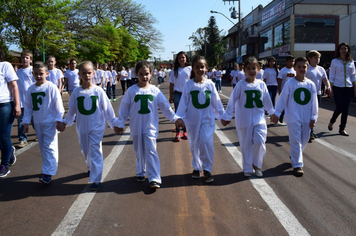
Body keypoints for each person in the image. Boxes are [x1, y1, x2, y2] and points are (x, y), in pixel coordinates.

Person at [114, 60, 177, 189]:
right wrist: (120, 123)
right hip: (136, 126)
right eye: (141, 74)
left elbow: (165, 107)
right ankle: (141, 171)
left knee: (151, 150)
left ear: (151, 74)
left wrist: (175, 118)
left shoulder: (155, 91)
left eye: (147, 74)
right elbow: (124, 109)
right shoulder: (131, 91)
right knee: (139, 150)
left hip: (150, 127)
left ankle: (154, 178)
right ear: (136, 74)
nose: (144, 77)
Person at [57, 61, 117, 191]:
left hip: (96, 127)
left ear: (93, 73)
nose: (87, 75)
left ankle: (96, 179)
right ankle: (90, 168)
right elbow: (72, 111)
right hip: (82, 127)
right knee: (86, 151)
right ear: (79, 74)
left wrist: (114, 124)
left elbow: (108, 110)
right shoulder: (76, 92)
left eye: (89, 72)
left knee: (95, 150)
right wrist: (65, 123)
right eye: (83, 73)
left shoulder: (98, 91)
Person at [222, 57, 274, 177]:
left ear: (259, 69)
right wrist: (227, 116)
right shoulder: (240, 85)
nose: (251, 71)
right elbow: (232, 101)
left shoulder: (261, 84)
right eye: (248, 68)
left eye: (254, 68)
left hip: (259, 119)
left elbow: (267, 100)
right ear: (244, 70)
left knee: (260, 142)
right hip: (244, 120)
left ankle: (258, 165)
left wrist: (272, 113)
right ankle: (247, 167)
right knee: (246, 144)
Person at [175, 56, 225, 183]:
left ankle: (207, 169)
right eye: (197, 67)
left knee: (206, 142)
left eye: (202, 67)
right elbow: (184, 103)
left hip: (207, 119)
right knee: (194, 144)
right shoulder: (189, 85)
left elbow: (216, 102)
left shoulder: (210, 84)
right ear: (193, 68)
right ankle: (197, 167)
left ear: (206, 68)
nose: (200, 69)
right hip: (192, 120)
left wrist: (222, 116)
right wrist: (179, 117)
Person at [270, 57, 318, 177]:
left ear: (307, 68)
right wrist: (277, 114)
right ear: (295, 68)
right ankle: (297, 165)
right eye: (299, 66)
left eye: (304, 66)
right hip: (293, 116)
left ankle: (296, 155)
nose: (302, 69)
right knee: (295, 140)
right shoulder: (290, 84)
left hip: (306, 117)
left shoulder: (311, 84)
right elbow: (282, 100)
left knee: (305, 139)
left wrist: (313, 117)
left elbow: (314, 102)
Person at [22, 61, 64, 184]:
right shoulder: (31, 89)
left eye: (41, 73)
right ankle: (49, 167)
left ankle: (47, 173)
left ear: (47, 73)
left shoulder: (51, 87)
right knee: (43, 147)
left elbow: (58, 105)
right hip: (38, 123)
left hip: (50, 122)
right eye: (36, 74)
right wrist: (25, 122)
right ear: (32, 74)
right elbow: (28, 107)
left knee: (49, 147)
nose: (39, 76)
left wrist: (59, 120)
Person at [0, 48, 21, 177]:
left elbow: (14, 86)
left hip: (5, 105)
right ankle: (10, 151)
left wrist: (17, 104)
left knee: (3, 136)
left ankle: (5, 165)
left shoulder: (5, 65)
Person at [327, 43, 356, 136]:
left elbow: (353, 76)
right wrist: (330, 88)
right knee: (340, 107)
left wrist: (355, 88)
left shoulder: (351, 61)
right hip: (337, 87)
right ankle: (332, 121)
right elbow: (331, 76)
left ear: (348, 50)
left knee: (346, 109)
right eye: (342, 48)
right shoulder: (334, 61)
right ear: (339, 50)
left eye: (345, 48)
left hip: (348, 87)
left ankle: (342, 128)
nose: (344, 50)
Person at [306, 50, 331, 141]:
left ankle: (311, 131)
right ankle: (309, 132)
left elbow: (325, 79)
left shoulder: (321, 69)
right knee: (308, 113)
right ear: (310, 58)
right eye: (315, 57)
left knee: (314, 113)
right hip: (307, 95)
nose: (317, 59)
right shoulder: (307, 69)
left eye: (318, 58)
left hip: (318, 93)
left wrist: (328, 87)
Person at [169, 51, 191, 142]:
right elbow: (171, 84)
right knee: (178, 114)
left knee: (187, 113)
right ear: (177, 60)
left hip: (188, 94)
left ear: (186, 58)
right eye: (180, 58)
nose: (182, 59)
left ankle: (185, 131)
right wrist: (171, 96)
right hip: (177, 93)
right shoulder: (174, 71)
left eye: (183, 57)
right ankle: (178, 132)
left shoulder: (190, 69)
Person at [16, 50, 35, 148]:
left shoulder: (33, 70)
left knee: (34, 120)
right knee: (21, 121)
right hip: (21, 101)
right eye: (23, 57)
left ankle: (39, 134)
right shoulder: (18, 71)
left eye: (27, 57)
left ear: (30, 60)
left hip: (32, 100)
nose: (24, 59)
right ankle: (23, 139)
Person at [277, 55, 296, 123]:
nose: (292, 63)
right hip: (284, 90)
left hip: (293, 91)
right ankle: (280, 117)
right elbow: (279, 80)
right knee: (284, 105)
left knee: (292, 106)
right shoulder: (283, 70)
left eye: (293, 61)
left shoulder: (295, 70)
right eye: (290, 61)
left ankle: (291, 119)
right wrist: (279, 90)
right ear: (287, 62)